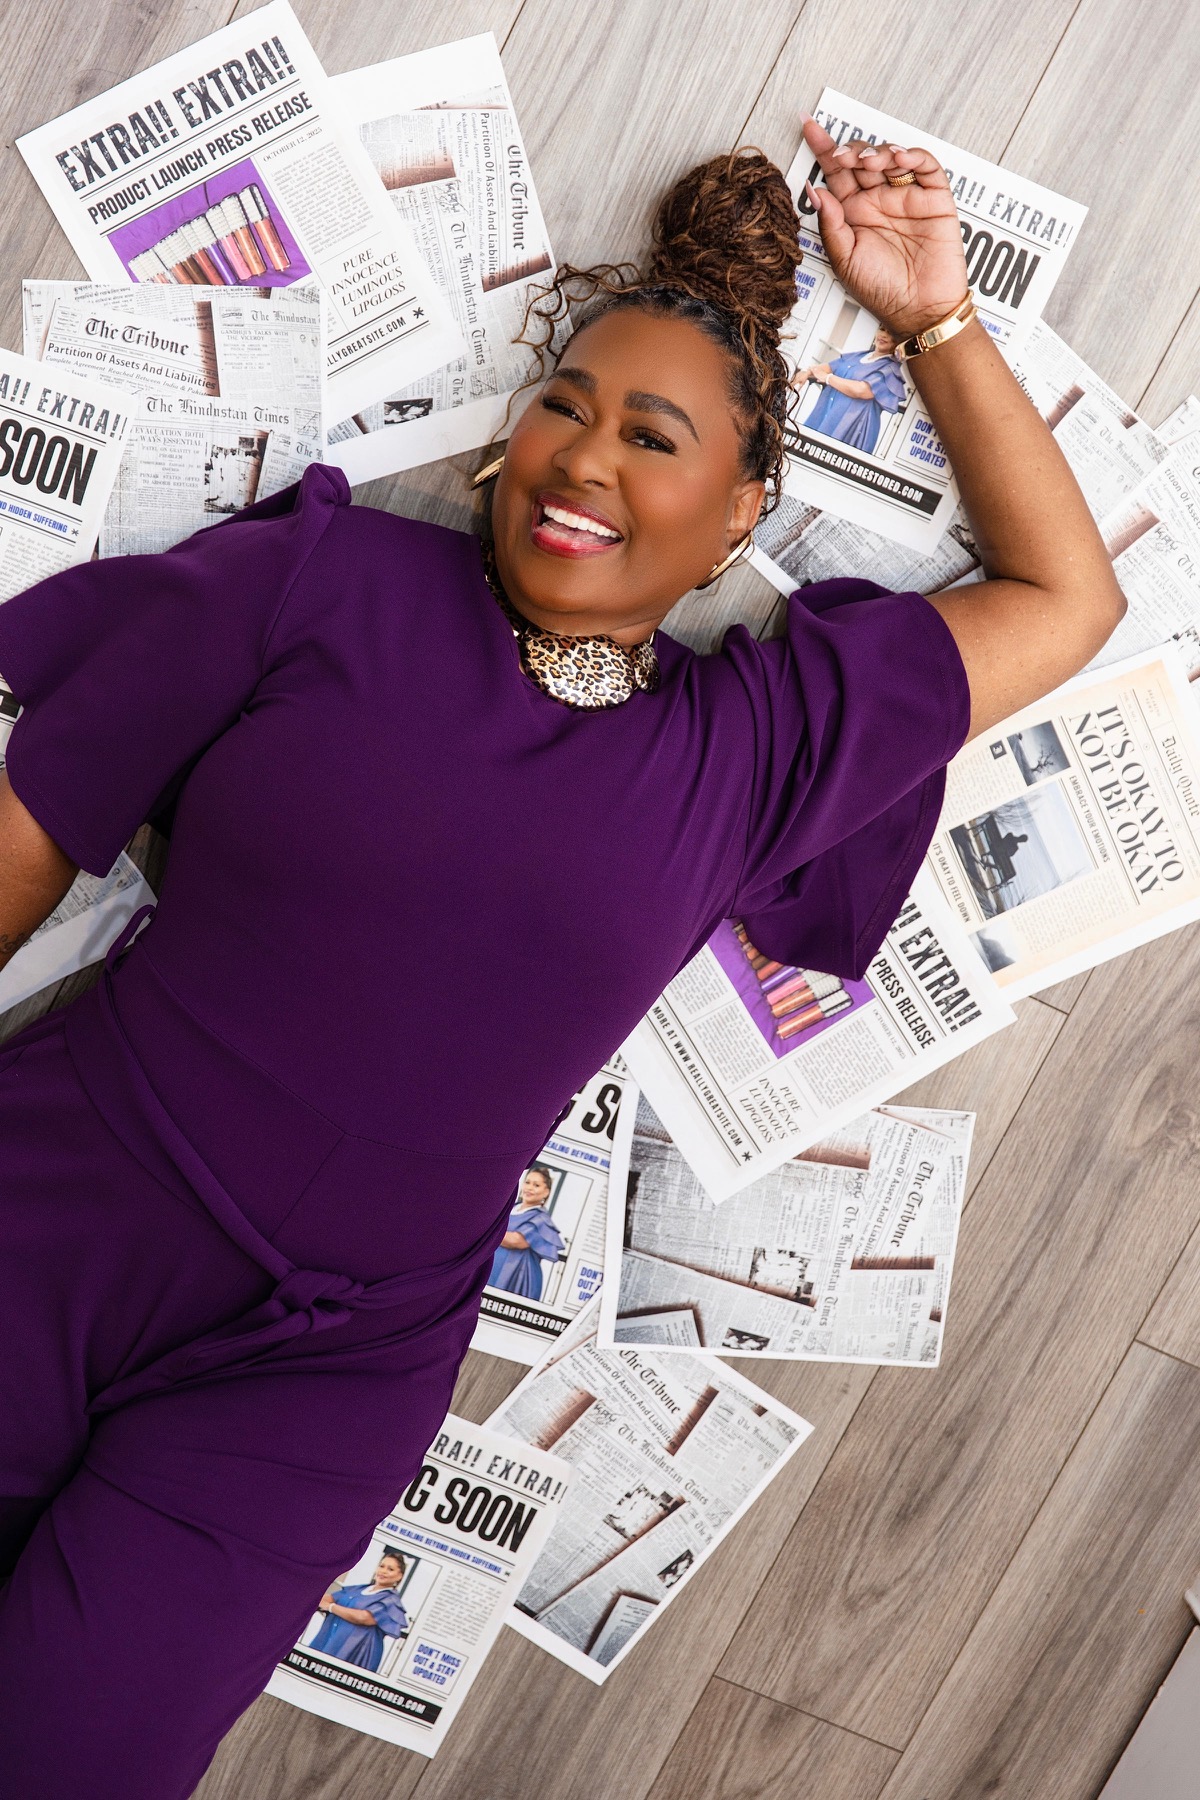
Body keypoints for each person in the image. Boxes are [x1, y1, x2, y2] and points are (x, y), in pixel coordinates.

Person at [0, 116, 1124, 1797]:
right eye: (563, 408)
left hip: (326, 1367)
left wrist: (937, 320)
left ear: (738, 515)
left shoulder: (755, 748)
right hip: (61, 1201)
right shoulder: (320, 583)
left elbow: (1065, 599)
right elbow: (41, 813)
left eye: (650, 436)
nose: (583, 459)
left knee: (70, 1754)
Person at [796, 321, 906, 452]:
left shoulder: (890, 369)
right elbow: (829, 367)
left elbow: (862, 390)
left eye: (890, 333)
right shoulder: (859, 356)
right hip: (827, 415)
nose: (884, 335)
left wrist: (828, 378)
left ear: (897, 341)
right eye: (882, 330)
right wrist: (807, 372)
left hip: (853, 426)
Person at [308, 1547, 408, 1672]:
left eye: (390, 1569)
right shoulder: (359, 1589)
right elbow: (328, 1598)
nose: (383, 1571)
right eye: (382, 1566)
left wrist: (331, 1607)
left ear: (399, 1576)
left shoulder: (391, 1601)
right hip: (329, 1640)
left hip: (357, 1650)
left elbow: (364, 1617)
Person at [489, 1164, 566, 1299]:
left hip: (517, 1275)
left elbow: (515, 1241)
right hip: (491, 1268)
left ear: (546, 1192)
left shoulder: (540, 1219)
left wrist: (486, 1231)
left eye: (536, 1185)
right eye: (527, 1182)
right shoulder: (510, 1207)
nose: (529, 1188)